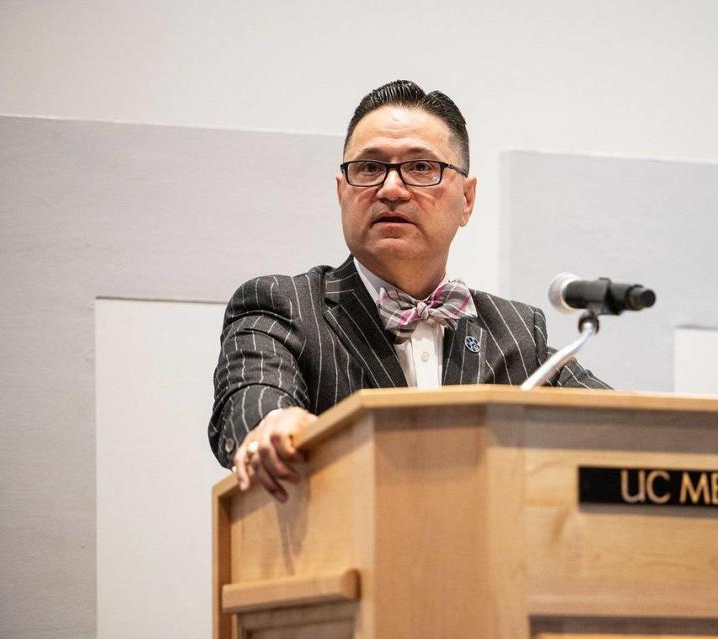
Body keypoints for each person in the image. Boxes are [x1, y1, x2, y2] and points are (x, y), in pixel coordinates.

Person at [209, 80, 609, 501]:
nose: (391, 189)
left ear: (467, 200)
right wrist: (272, 423)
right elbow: (251, 400)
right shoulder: (280, 305)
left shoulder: (515, 332)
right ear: (342, 192)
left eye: (421, 168)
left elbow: (619, 430)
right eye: (369, 168)